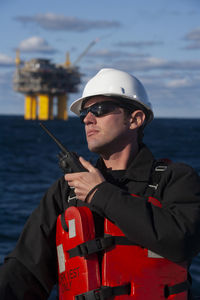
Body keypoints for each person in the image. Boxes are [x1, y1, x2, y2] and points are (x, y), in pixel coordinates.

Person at [1, 68, 200, 300]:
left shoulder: (175, 179)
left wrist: (100, 194)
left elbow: (183, 241)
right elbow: (25, 272)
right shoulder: (66, 190)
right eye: (85, 113)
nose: (87, 119)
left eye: (100, 110)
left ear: (135, 119)